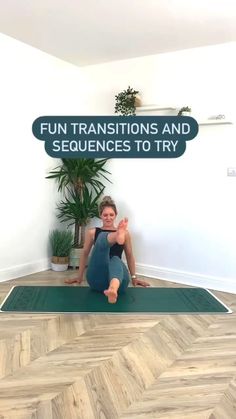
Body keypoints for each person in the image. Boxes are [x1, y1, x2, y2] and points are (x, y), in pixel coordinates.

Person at [65, 196, 150, 303]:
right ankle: (116, 236)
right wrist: (79, 277)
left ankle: (112, 289)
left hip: (119, 282)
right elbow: (84, 254)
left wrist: (134, 277)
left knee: (115, 259)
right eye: (105, 215)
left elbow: (129, 255)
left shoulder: (126, 234)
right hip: (97, 278)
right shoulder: (92, 232)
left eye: (111, 215)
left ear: (115, 215)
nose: (108, 218)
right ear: (100, 215)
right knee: (102, 238)